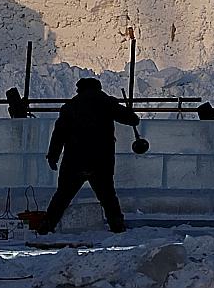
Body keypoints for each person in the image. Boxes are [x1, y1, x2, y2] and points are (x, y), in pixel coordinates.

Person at [41, 77, 141, 235]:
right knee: (108, 197)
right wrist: (128, 112)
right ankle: (117, 226)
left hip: (74, 160)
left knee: (62, 196)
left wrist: (53, 156)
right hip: (101, 160)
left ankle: (46, 226)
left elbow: (59, 134)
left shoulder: (70, 106)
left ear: (79, 89)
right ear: (98, 88)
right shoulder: (106, 102)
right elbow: (133, 120)